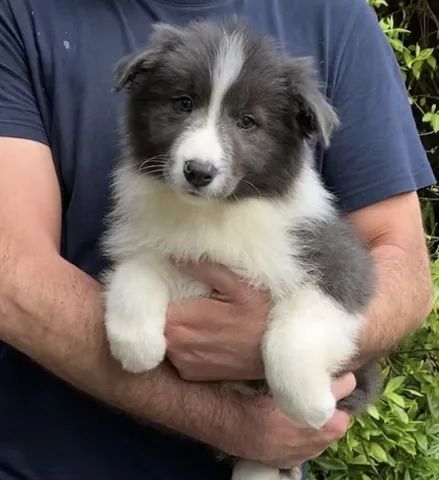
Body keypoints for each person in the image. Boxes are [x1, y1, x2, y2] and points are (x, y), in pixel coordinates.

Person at [0, 0, 434, 479]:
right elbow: (11, 275)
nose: (202, 153)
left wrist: (287, 351)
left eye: (247, 123)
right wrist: (232, 422)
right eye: (183, 105)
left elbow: (397, 267)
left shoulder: (335, 17)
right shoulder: (22, 14)